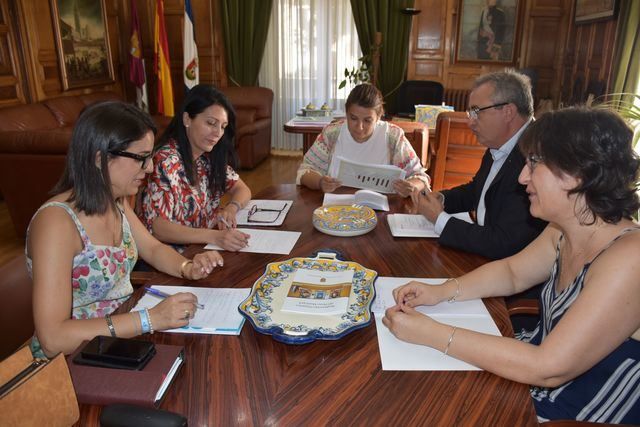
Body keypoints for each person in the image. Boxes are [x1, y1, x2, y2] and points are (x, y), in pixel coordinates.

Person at [384, 107, 640, 423]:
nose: (522, 177)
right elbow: (513, 272)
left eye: (534, 164)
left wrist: (432, 333)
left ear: (577, 174)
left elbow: (548, 368)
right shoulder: (565, 228)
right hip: (531, 377)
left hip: (575, 410)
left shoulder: (630, 257)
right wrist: (440, 291)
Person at [27, 101, 224, 358]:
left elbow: (152, 248)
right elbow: (53, 339)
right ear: (101, 159)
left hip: (120, 341)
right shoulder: (56, 222)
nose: (151, 168)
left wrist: (187, 267)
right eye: (141, 158)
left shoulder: (116, 200)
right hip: (72, 363)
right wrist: (149, 319)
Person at [412, 70, 546, 260]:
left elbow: (504, 243)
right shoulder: (500, 143)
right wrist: (442, 199)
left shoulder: (535, 158)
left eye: (476, 112)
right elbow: (478, 189)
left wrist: (440, 219)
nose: (469, 121)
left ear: (508, 112)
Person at [139, 84, 251, 251]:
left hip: (206, 249)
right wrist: (214, 236)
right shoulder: (165, 161)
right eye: (211, 123)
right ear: (187, 119)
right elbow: (158, 228)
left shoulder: (206, 156)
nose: (217, 133)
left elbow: (242, 189)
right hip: (175, 259)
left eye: (223, 126)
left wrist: (231, 207)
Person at [296, 83, 430, 196]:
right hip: (336, 209)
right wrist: (320, 182)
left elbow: (421, 177)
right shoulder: (332, 133)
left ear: (378, 117)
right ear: (346, 113)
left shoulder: (392, 136)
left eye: (367, 120)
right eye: (353, 118)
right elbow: (305, 171)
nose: (359, 127)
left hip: (381, 211)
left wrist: (411, 187)